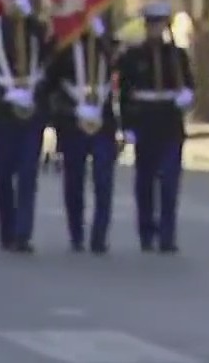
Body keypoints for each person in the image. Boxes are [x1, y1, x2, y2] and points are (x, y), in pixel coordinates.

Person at [0, 0, 52, 253]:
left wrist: (34, 22)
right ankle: (7, 230)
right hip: (3, 111)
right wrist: (1, 93)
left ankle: (23, 233)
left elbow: (51, 63)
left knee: (28, 172)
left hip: (32, 111)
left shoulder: (36, 30)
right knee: (3, 174)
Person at [117, 1, 194, 253]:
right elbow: (125, 94)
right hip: (145, 122)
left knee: (170, 182)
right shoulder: (133, 56)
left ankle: (168, 235)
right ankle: (147, 231)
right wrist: (126, 126)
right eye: (152, 24)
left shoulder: (177, 55)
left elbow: (189, 85)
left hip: (170, 122)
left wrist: (187, 97)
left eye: (160, 24)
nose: (156, 29)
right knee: (146, 182)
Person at [45, 17, 118, 254]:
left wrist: (104, 41)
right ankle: (76, 233)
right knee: (74, 182)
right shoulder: (64, 49)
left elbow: (121, 72)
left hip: (103, 124)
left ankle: (99, 237)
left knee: (104, 181)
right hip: (72, 123)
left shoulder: (107, 47)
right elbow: (50, 83)